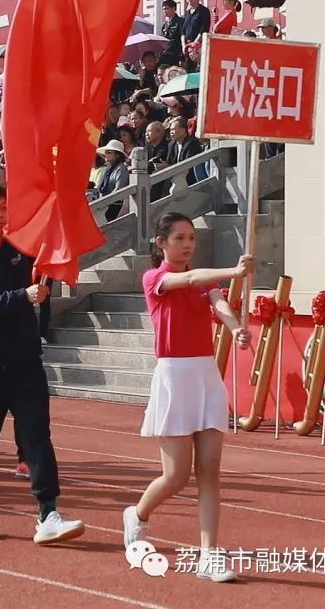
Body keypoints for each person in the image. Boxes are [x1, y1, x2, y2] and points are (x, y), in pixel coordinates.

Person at [123, 212, 254, 583]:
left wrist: (236, 328)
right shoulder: (156, 279)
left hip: (205, 376)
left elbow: (218, 303)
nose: (187, 244)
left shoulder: (204, 284)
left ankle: (209, 555)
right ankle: (138, 514)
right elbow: (194, 278)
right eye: (180, 238)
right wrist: (234, 271)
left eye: (192, 238)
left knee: (209, 470)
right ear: (161, 242)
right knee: (177, 475)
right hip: (173, 379)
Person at [0, 181, 84, 544]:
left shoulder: (24, 251)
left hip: (26, 361)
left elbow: (48, 263)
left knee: (37, 437)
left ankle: (48, 512)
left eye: (4, 207)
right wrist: (21, 295)